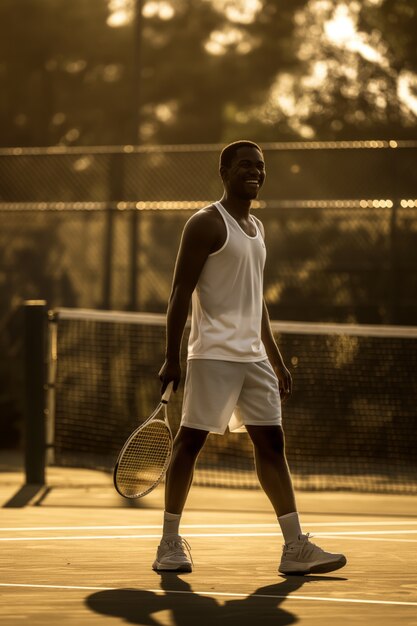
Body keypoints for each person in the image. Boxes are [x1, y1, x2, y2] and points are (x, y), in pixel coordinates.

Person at [154, 140, 347, 576]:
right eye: (245, 165)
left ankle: (295, 547)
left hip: (254, 358)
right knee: (190, 443)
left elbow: (255, 298)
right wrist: (172, 358)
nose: (254, 172)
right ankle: (168, 544)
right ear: (224, 172)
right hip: (212, 355)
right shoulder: (205, 223)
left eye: (260, 166)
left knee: (272, 444)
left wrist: (275, 359)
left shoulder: (257, 228)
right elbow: (179, 293)